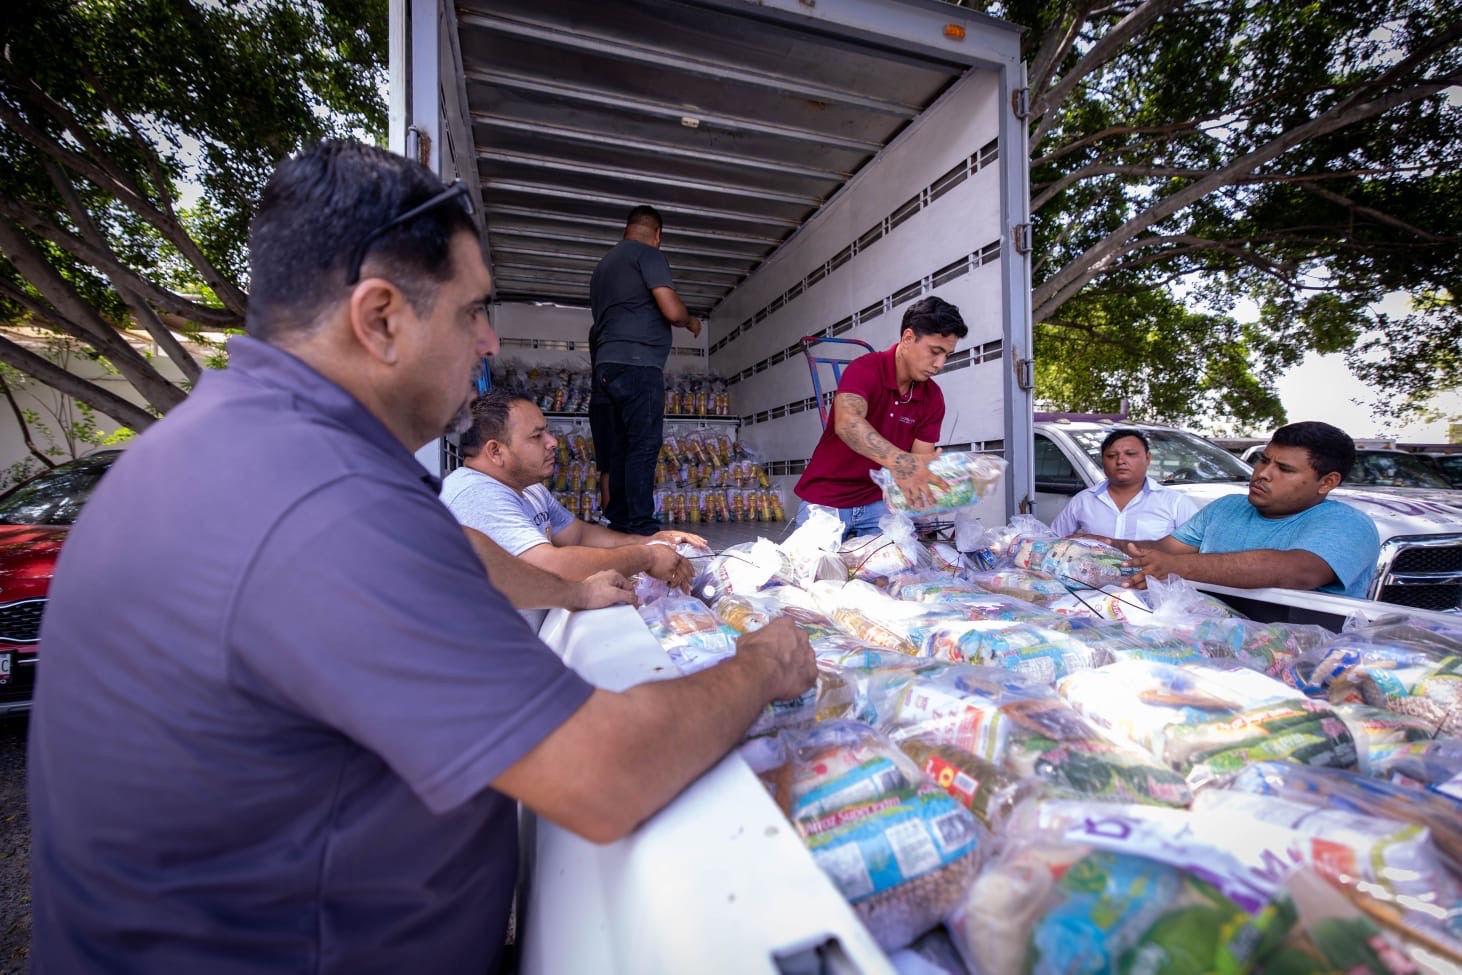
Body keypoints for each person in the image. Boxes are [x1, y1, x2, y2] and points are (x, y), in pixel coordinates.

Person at [27, 140, 815, 973]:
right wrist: (761, 663)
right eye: (473, 311)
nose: (488, 342)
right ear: (380, 318)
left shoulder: (242, 444)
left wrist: (577, 597)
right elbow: (606, 772)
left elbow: (459, 552)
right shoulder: (321, 503)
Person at [442, 391, 706, 611]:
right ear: (495, 451)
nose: (552, 442)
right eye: (537, 436)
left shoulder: (529, 489)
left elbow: (579, 535)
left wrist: (653, 540)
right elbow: (554, 568)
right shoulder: (475, 494)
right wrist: (646, 556)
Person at [1121, 421, 1380, 598]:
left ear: (1327, 482)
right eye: (1263, 461)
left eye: (1285, 469)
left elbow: (1296, 571)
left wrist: (1177, 567)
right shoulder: (1227, 507)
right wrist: (1103, 544)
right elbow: (1164, 551)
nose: (1262, 474)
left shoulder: (1348, 524)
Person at [792, 297, 968, 538]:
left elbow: (919, 460)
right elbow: (848, 424)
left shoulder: (933, 397)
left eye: (947, 355)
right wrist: (901, 463)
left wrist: (936, 495)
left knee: (895, 573)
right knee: (816, 572)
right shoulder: (864, 369)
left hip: (880, 503)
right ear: (908, 338)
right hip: (827, 498)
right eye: (935, 352)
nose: (939, 364)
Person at [589, 204, 702, 536]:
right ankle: (641, 524)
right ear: (658, 235)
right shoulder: (647, 255)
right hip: (638, 364)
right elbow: (670, 308)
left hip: (606, 366)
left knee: (622, 447)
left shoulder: (603, 267)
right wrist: (691, 320)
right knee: (643, 444)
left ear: (626, 230)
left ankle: (621, 520)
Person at [1050, 428, 1198, 542]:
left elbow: (1195, 553)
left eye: (1130, 454)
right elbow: (1053, 541)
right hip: (1093, 582)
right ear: (1103, 460)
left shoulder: (1176, 503)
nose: (1121, 461)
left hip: (1153, 582)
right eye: (1112, 456)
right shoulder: (1083, 500)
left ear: (1147, 458)